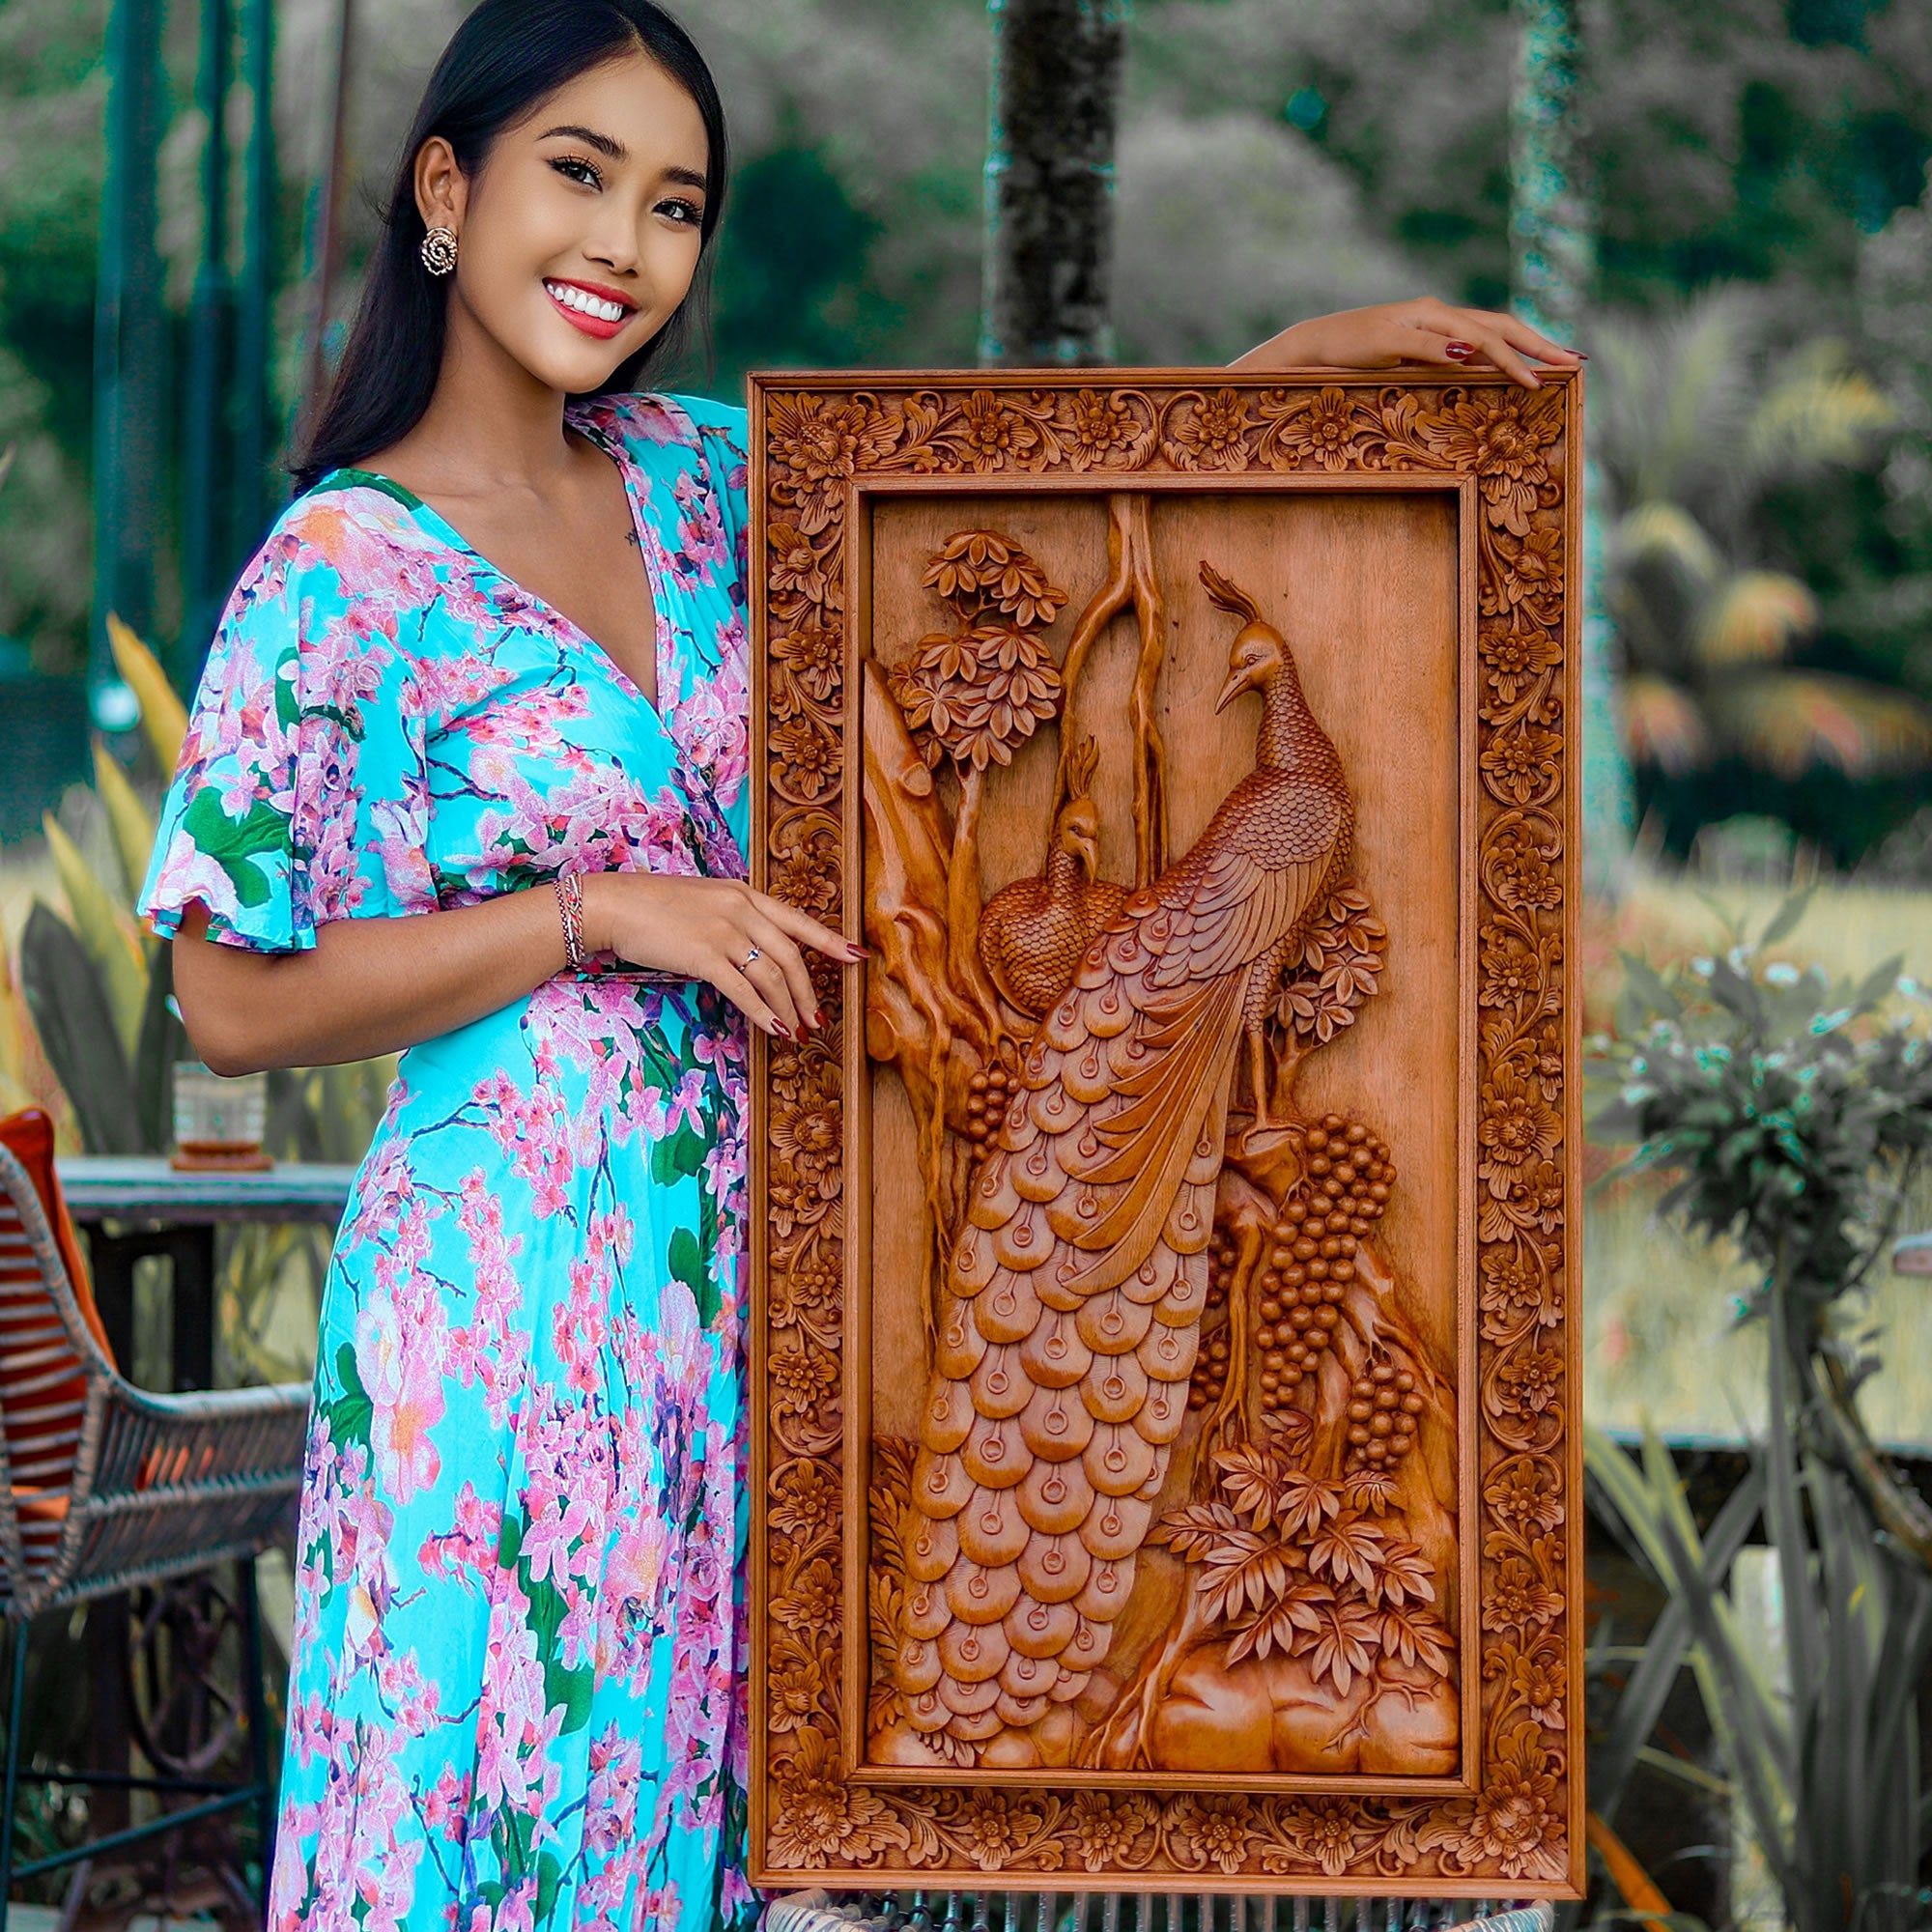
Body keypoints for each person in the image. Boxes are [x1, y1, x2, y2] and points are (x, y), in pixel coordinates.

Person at [137, 2, 1580, 1925]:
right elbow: (229, 997)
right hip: (504, 1301)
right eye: (577, 176)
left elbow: (1029, 514)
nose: (622, 247)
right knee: (496, 1808)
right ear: (444, 186)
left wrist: (1290, 386)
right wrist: (599, 913)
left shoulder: (711, 486)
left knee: (734, 1823)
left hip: (775, 1301)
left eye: (674, 205)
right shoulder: (342, 569)